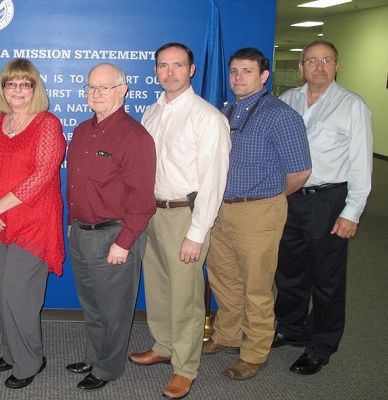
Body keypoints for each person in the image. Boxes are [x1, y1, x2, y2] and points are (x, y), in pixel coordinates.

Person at [127, 43, 230, 399]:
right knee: (157, 286)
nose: (169, 72)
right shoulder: (151, 112)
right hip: (151, 213)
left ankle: (186, 368)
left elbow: (214, 182)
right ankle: (164, 345)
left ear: (192, 70)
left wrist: (197, 233)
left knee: (186, 297)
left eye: (177, 66)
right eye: (163, 66)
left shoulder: (208, 118)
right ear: (156, 71)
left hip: (184, 216)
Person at [202, 48, 312, 380]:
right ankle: (228, 334)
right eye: (234, 71)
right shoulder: (226, 110)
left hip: (259, 211)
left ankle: (255, 351)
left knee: (256, 285)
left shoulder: (281, 115)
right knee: (224, 279)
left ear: (264, 76)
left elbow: (300, 173)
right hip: (222, 209)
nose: (238, 77)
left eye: (247, 71)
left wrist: (267, 199)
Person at [274, 40, 373, 375]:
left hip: (328, 201)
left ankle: (321, 345)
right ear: (301, 67)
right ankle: (290, 328)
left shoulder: (352, 106)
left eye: (326, 60)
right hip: (289, 200)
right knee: (289, 272)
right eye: (311, 61)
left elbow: (362, 163)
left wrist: (352, 212)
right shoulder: (287, 101)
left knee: (326, 280)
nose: (318, 67)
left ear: (337, 65)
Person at [0, 58, 66, 389]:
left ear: (35, 88)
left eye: (25, 84)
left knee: (19, 292)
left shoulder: (47, 124)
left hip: (34, 223)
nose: (18, 91)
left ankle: (30, 361)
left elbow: (41, 177)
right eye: (11, 84)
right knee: (3, 293)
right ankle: (13, 351)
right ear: (2, 88)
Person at [66, 63, 156, 391]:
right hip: (81, 233)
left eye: (105, 87)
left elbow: (142, 199)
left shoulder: (135, 137)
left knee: (114, 310)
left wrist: (125, 242)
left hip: (114, 236)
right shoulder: (81, 131)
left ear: (123, 90)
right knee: (92, 303)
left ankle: (108, 369)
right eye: (91, 87)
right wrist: (71, 223)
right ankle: (94, 356)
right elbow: (76, 185)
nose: (96, 94)